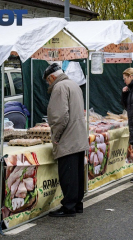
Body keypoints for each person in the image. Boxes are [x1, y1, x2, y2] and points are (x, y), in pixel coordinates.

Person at [43, 63, 89, 217]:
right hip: (78, 136)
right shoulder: (73, 84)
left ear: (51, 77)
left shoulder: (59, 87)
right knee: (76, 173)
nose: (48, 84)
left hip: (67, 138)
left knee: (68, 175)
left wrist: (55, 136)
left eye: (48, 81)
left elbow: (60, 116)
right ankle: (77, 204)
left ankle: (69, 207)